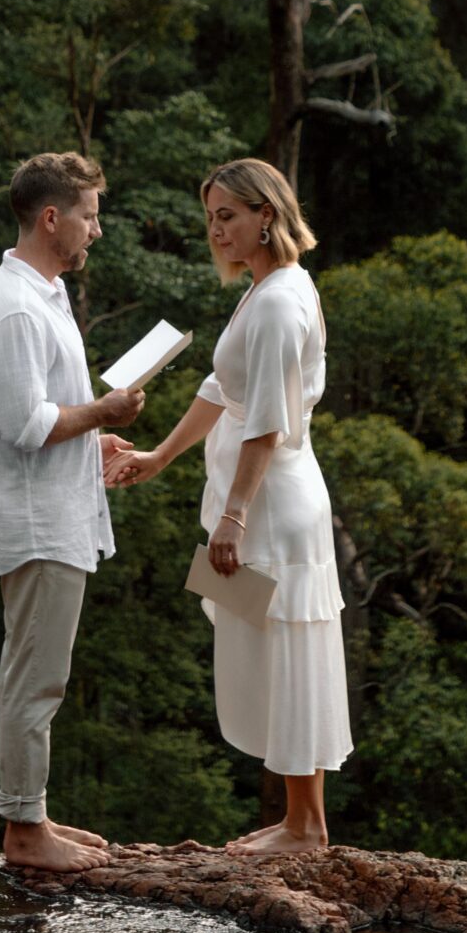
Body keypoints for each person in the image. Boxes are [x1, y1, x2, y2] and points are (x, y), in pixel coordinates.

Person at [106, 158, 350, 856]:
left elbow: (266, 421)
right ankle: (296, 818)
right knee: (266, 655)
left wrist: (234, 515)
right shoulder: (266, 288)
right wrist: (159, 455)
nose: (216, 231)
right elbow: (221, 389)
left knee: (288, 649)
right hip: (259, 496)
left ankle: (306, 827)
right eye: (210, 218)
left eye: (228, 216)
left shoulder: (276, 300)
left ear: (265, 215)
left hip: (270, 502)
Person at [0, 150, 144, 873]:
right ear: (51, 218)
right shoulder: (12, 306)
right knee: (33, 677)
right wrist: (101, 407)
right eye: (88, 215)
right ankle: (22, 832)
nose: (94, 231)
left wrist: (93, 434)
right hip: (37, 523)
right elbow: (23, 424)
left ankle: (32, 811)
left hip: (59, 512)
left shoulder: (44, 293)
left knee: (45, 674)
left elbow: (46, 416)